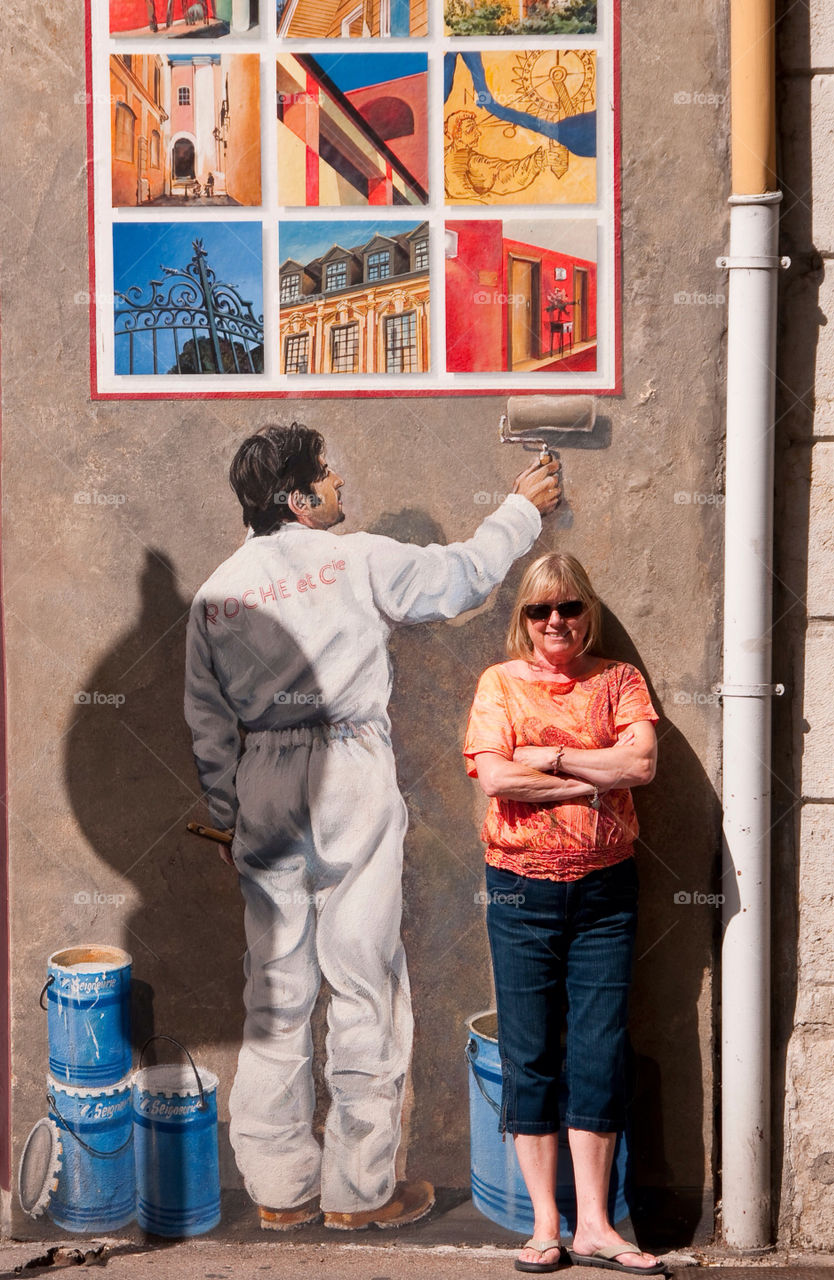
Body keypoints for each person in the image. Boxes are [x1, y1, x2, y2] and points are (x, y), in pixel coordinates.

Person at [184, 422, 561, 1232]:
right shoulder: (355, 559)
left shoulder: (216, 591)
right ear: (297, 498)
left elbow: (208, 727)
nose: (340, 487)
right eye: (327, 476)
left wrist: (229, 822)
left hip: (263, 786)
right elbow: (460, 578)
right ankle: (359, 1192)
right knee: (364, 981)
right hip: (348, 773)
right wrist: (520, 512)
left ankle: (279, 1191)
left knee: (276, 992)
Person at [464, 553, 665, 1275]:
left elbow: (638, 767)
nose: (556, 623)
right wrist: (588, 771)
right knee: (529, 1051)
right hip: (519, 892)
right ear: (522, 617)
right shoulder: (499, 684)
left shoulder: (618, 681)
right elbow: (493, 776)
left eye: (570, 608)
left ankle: (595, 1226)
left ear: (588, 612)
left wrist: (543, 759)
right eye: (540, 611)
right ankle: (545, 1227)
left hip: (606, 891)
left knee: (598, 1048)